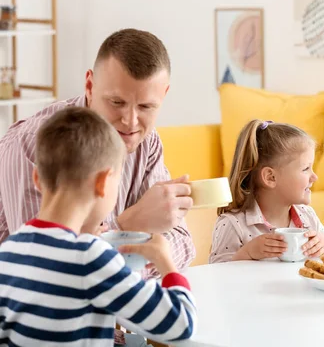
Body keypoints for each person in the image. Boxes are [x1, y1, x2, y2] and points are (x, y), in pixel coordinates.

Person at [0, 28, 195, 276]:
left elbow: (184, 244)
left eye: (146, 106)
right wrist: (129, 226)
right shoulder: (30, 146)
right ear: (90, 86)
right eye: (117, 103)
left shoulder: (146, 142)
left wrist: (121, 276)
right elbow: (47, 271)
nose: (131, 122)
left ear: (163, 95)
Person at [0, 107, 197, 345]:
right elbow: (180, 324)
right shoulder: (91, 258)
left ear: (37, 178)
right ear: (103, 183)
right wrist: (165, 261)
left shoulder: (8, 253)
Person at [209, 120, 324, 263]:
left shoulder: (307, 217)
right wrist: (247, 253)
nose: (314, 176)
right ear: (271, 177)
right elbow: (215, 275)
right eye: (306, 169)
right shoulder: (234, 224)